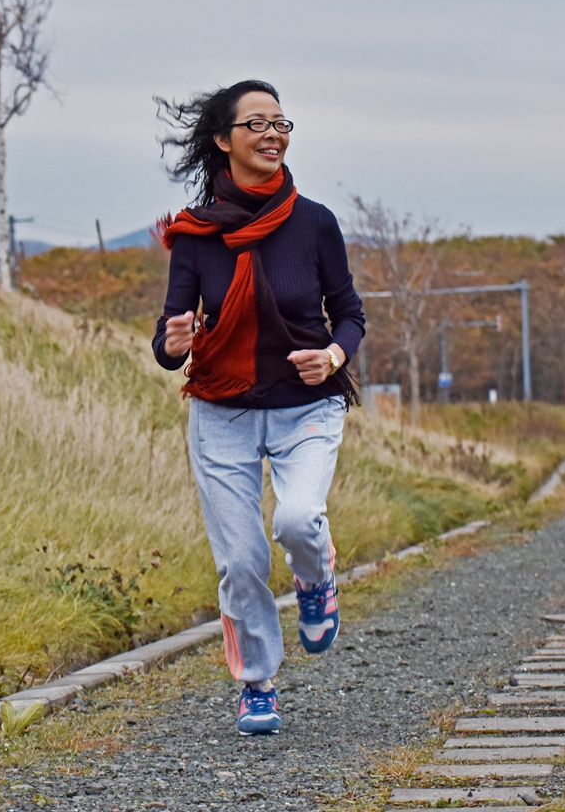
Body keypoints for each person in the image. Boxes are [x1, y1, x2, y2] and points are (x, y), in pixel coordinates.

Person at [152, 80, 365, 736]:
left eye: (281, 123)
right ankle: (256, 684)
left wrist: (332, 357)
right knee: (241, 559)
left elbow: (350, 317)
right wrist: (173, 341)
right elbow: (168, 338)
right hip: (223, 409)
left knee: (300, 520)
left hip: (307, 405)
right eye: (257, 124)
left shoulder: (316, 223)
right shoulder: (195, 236)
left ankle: (315, 577)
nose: (274, 134)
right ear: (223, 140)